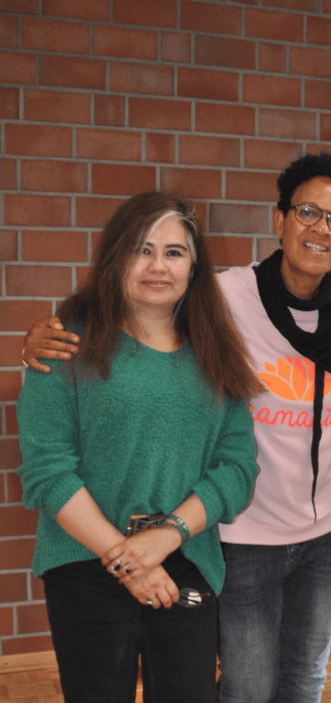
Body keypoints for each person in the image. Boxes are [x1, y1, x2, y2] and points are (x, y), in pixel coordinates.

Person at [22, 153, 331, 703]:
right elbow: (126, 342)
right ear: (280, 219)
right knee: (245, 687)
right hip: (245, 535)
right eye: (308, 212)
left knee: (303, 680)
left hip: (325, 531)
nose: (321, 229)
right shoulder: (222, 299)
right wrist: (40, 341)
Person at [16, 192, 261, 703]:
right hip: (84, 562)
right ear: (115, 258)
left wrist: (166, 536)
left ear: (194, 268)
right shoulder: (66, 345)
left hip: (185, 556)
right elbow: (48, 471)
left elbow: (236, 468)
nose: (158, 266)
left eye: (174, 252)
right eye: (141, 249)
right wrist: (125, 559)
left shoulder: (216, 352)